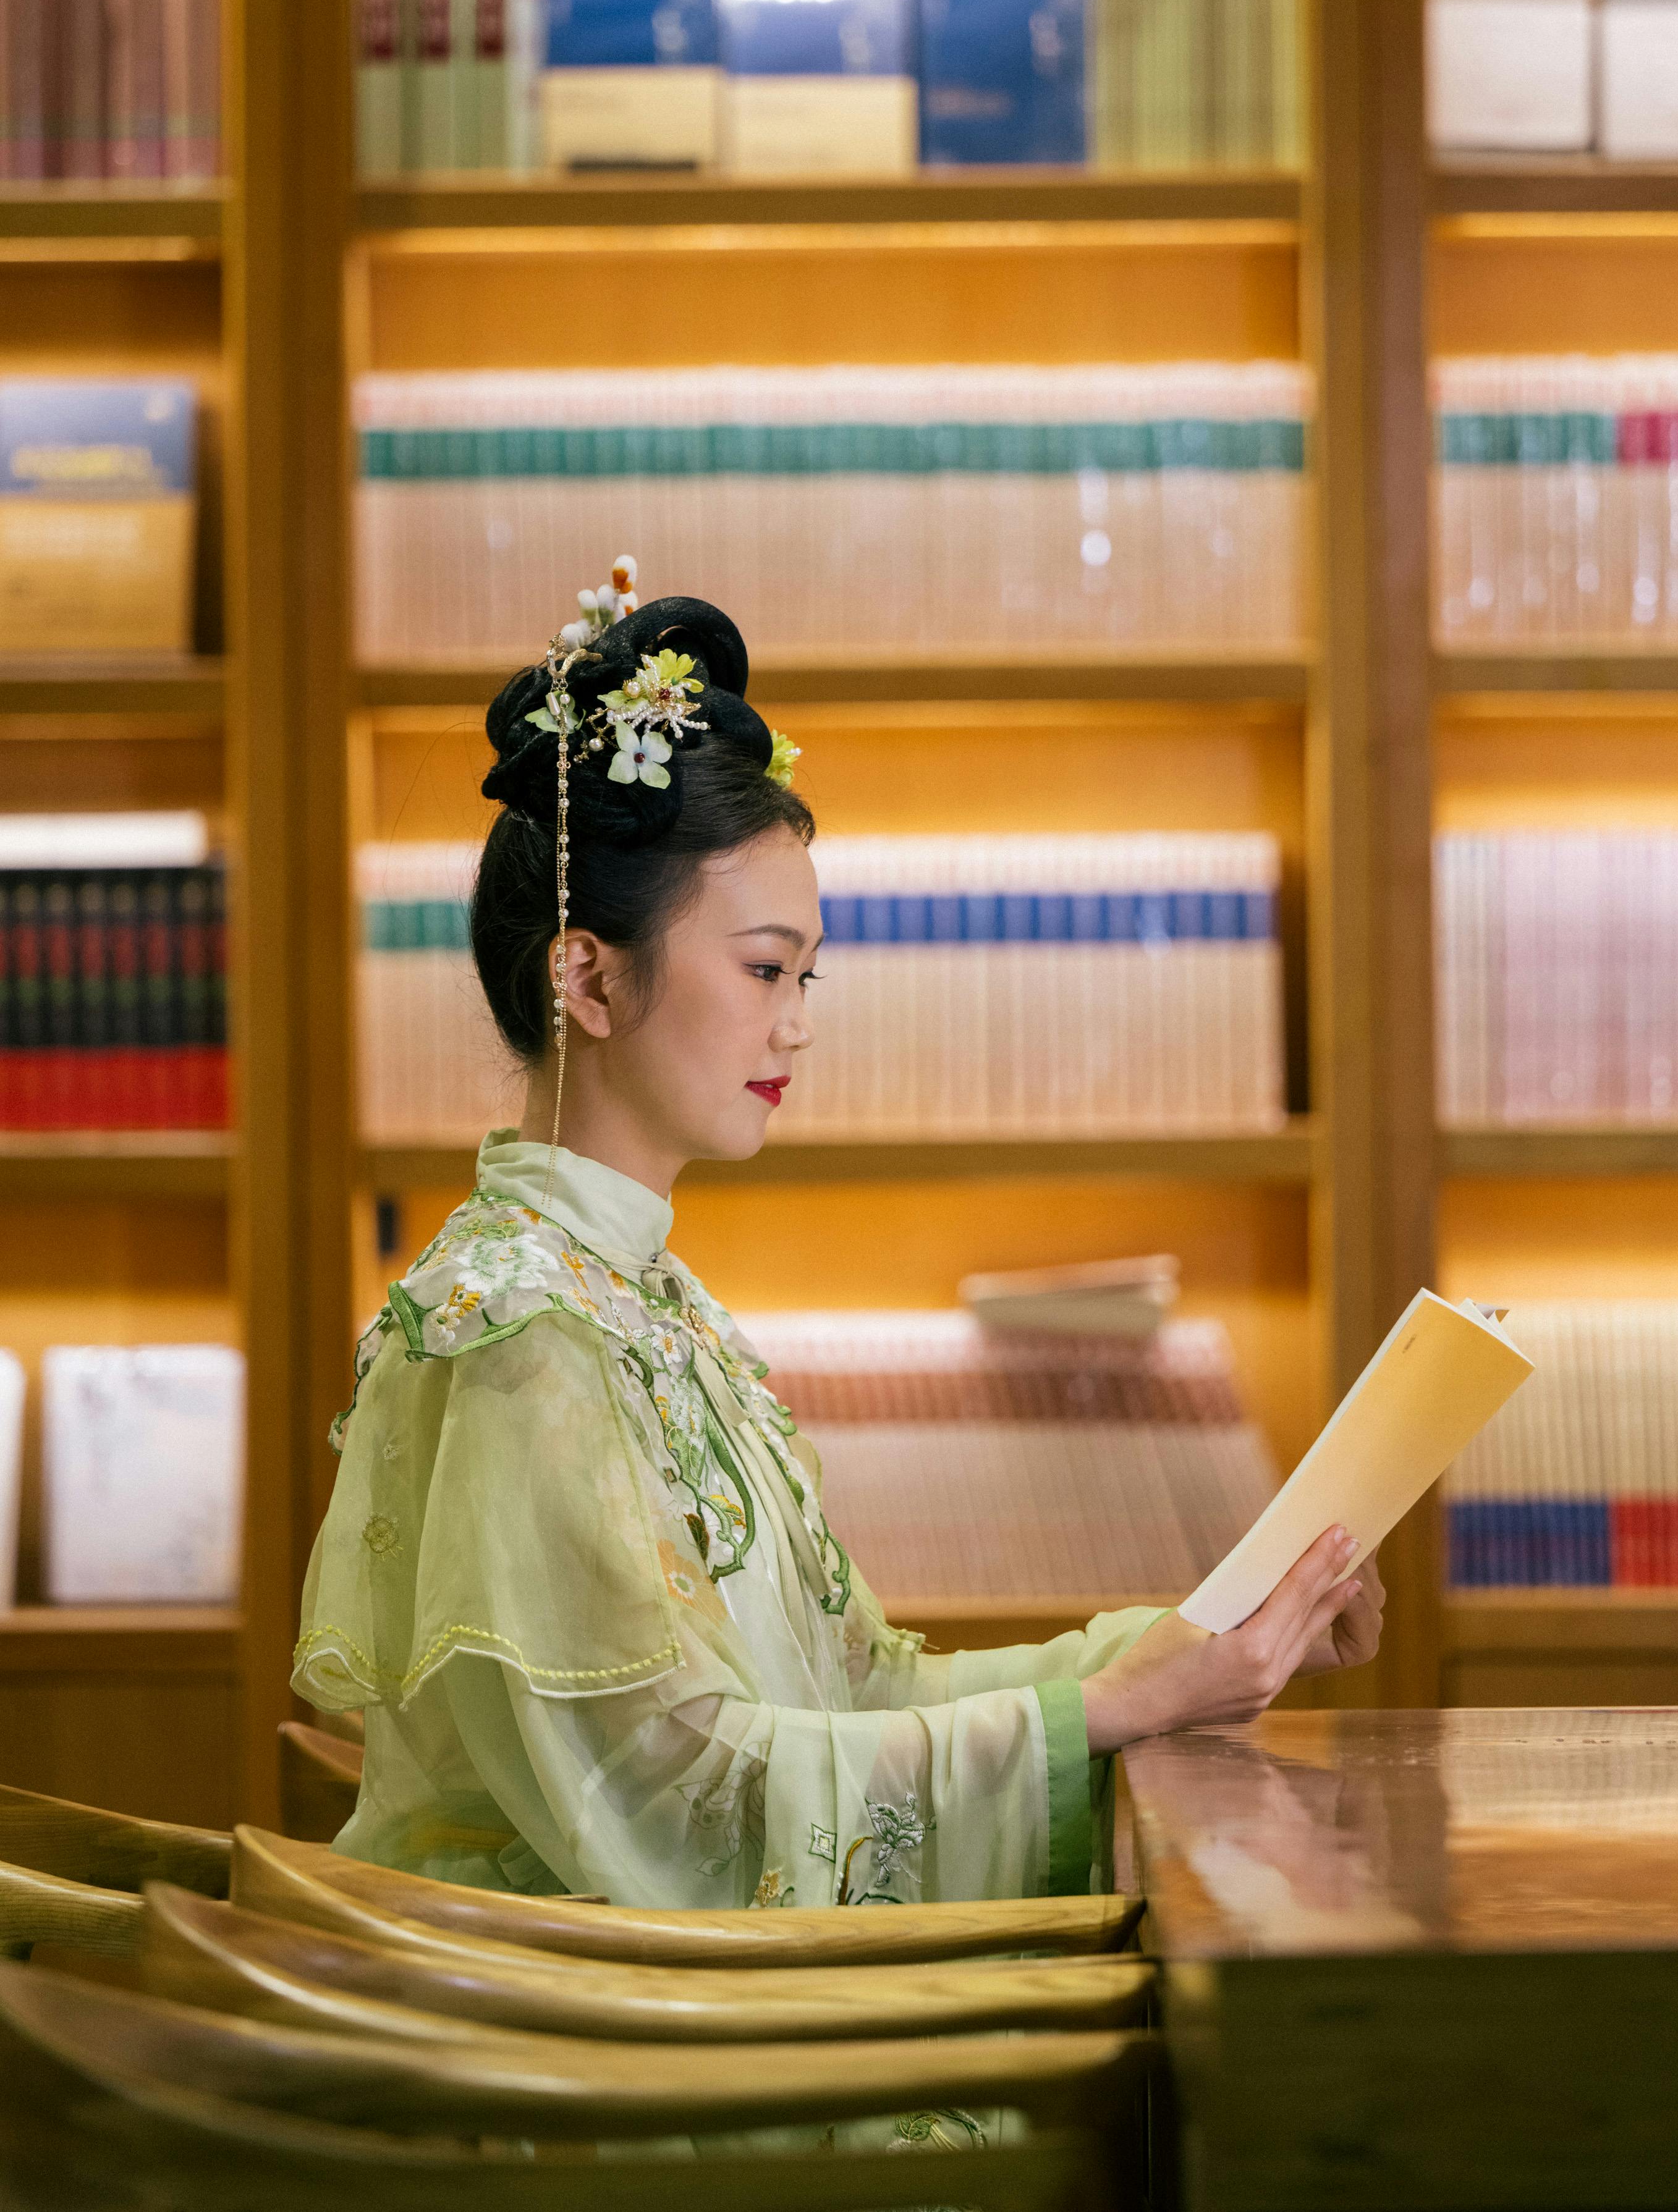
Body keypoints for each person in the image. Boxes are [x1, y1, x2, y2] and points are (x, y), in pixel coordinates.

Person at [295, 569, 1384, 1907]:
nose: (798, 1022)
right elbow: (674, 1810)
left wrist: (1177, 1649)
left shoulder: (645, 1301)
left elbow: (860, 1688)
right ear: (585, 974)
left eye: (807, 975)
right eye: (764, 968)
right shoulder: (525, 1332)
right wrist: (1098, 1716)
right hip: (601, 2034)